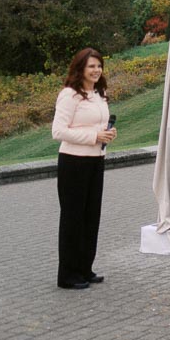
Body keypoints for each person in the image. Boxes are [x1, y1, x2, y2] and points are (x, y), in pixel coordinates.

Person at [51, 47, 117, 290]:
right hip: (73, 162)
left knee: (91, 217)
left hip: (96, 160)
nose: (96, 70)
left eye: (99, 66)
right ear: (80, 68)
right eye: (91, 66)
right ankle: (67, 275)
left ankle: (84, 268)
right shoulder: (70, 95)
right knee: (73, 218)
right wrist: (93, 135)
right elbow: (58, 131)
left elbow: (98, 126)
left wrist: (107, 134)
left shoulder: (100, 94)